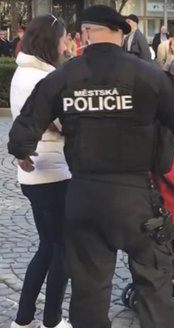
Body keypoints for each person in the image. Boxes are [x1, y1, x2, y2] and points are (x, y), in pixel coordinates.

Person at [7, 5, 174, 328]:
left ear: (86, 34)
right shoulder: (148, 74)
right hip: (137, 198)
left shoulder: (63, 76)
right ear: (120, 35)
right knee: (154, 289)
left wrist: (23, 150)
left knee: (89, 294)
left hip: (84, 195)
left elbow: (26, 125)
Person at [9, 14, 72, 328]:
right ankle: (52, 320)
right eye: (63, 38)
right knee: (62, 248)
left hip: (35, 175)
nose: (67, 43)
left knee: (48, 245)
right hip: (52, 172)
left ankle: (23, 320)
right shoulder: (41, 78)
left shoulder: (24, 73)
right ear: (52, 41)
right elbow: (57, 121)